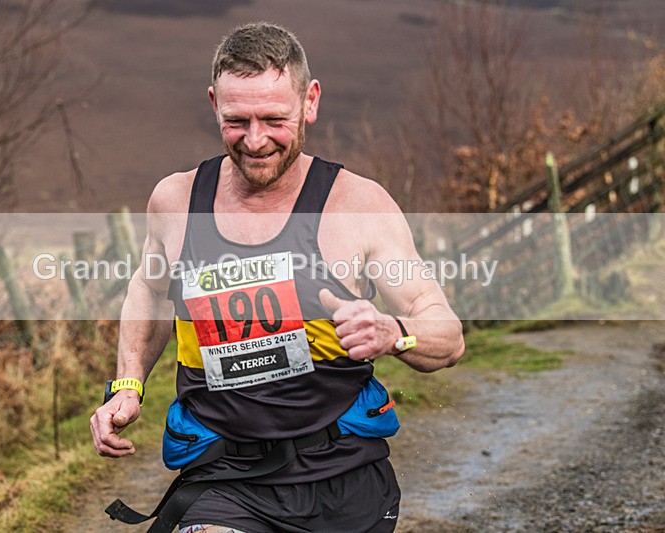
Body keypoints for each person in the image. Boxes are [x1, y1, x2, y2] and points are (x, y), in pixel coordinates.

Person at [91, 22, 465, 533]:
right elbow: (150, 290)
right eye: (236, 120)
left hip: (344, 478)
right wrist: (127, 384)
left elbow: (446, 334)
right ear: (213, 104)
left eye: (273, 118)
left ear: (310, 102)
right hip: (224, 477)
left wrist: (394, 334)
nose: (255, 140)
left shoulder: (358, 206)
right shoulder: (176, 203)